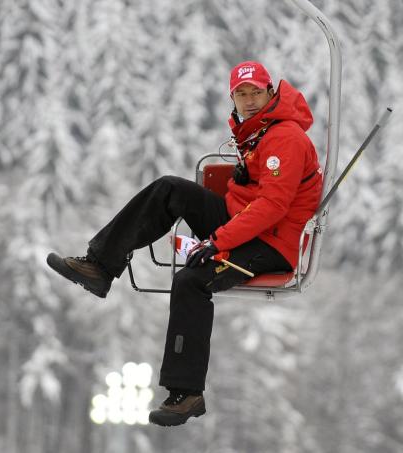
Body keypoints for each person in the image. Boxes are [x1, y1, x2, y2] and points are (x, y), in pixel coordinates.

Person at [47, 61, 323, 426]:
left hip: (270, 244)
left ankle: (186, 392)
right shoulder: (258, 132)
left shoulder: (283, 138)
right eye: (242, 94)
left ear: (271, 92)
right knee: (170, 189)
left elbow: (273, 205)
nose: (250, 100)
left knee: (192, 280)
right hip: (242, 222)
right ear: (233, 99)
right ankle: (101, 265)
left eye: (257, 92)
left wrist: (218, 241)